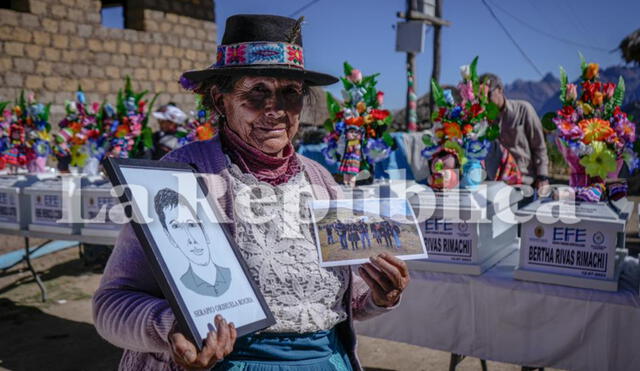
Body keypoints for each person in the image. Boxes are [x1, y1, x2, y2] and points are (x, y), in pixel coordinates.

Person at [93, 14, 409, 371]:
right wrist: (171, 327)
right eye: (257, 92)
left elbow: (342, 302)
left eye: (290, 93)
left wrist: (381, 296)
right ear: (220, 99)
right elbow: (111, 304)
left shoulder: (319, 179)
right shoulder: (180, 176)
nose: (275, 110)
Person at [154, 187, 231, 297]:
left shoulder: (232, 276)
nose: (191, 240)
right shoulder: (182, 287)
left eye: (191, 225)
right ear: (169, 237)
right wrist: (177, 314)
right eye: (176, 227)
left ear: (203, 230)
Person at [479, 73, 549, 193]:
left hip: (524, 182)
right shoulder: (483, 119)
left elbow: (539, 146)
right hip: (496, 185)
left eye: (488, 94)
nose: (485, 99)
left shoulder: (523, 110)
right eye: (481, 96)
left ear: (500, 89)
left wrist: (542, 177)